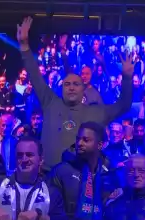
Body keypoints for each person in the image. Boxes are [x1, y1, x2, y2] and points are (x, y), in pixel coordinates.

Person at [16, 17, 134, 168]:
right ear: (62, 88)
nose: (71, 87)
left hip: (81, 177)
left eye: (76, 84)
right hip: (48, 175)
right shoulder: (50, 102)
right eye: (67, 84)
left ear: (83, 89)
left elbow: (124, 106)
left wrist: (127, 78)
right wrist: (24, 46)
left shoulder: (96, 112)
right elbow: (34, 75)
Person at [0, 137, 67, 220]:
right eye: (20, 155)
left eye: (29, 155)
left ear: (41, 160)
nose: (24, 159)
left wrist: (40, 217)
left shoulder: (51, 192)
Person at [49, 122, 117, 220]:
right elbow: (53, 213)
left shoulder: (110, 175)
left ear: (99, 145)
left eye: (86, 140)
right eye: (78, 139)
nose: (79, 143)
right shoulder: (61, 171)